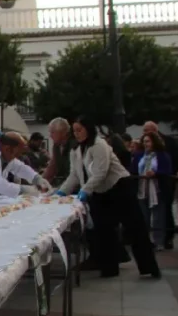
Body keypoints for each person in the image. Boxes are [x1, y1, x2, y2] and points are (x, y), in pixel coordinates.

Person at [58, 116, 160, 279]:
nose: (76, 133)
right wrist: (61, 192)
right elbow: (74, 175)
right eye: (75, 130)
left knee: (135, 228)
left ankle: (149, 268)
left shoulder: (100, 145)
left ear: (88, 129)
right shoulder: (76, 150)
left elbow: (101, 171)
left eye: (80, 130)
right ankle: (109, 268)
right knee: (103, 230)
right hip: (99, 191)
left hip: (119, 186)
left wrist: (85, 191)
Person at [142, 122, 178, 249]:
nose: (144, 134)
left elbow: (175, 161)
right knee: (147, 214)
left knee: (163, 212)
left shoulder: (167, 145)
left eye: (146, 130)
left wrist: (162, 174)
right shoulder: (143, 152)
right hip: (145, 187)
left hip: (163, 184)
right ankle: (149, 240)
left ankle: (165, 239)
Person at [130, 132, 173, 250]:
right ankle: (146, 241)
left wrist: (156, 173)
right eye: (144, 142)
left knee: (159, 217)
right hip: (142, 188)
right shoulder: (140, 155)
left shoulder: (162, 155)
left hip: (157, 189)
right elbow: (133, 170)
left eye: (148, 141)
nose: (146, 144)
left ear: (154, 142)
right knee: (143, 217)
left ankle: (159, 241)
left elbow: (167, 170)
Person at [41, 117, 75, 187]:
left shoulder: (74, 145)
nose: (50, 135)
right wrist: (40, 182)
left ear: (63, 132)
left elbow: (75, 174)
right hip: (64, 184)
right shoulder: (56, 146)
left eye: (52, 132)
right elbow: (52, 167)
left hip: (75, 185)